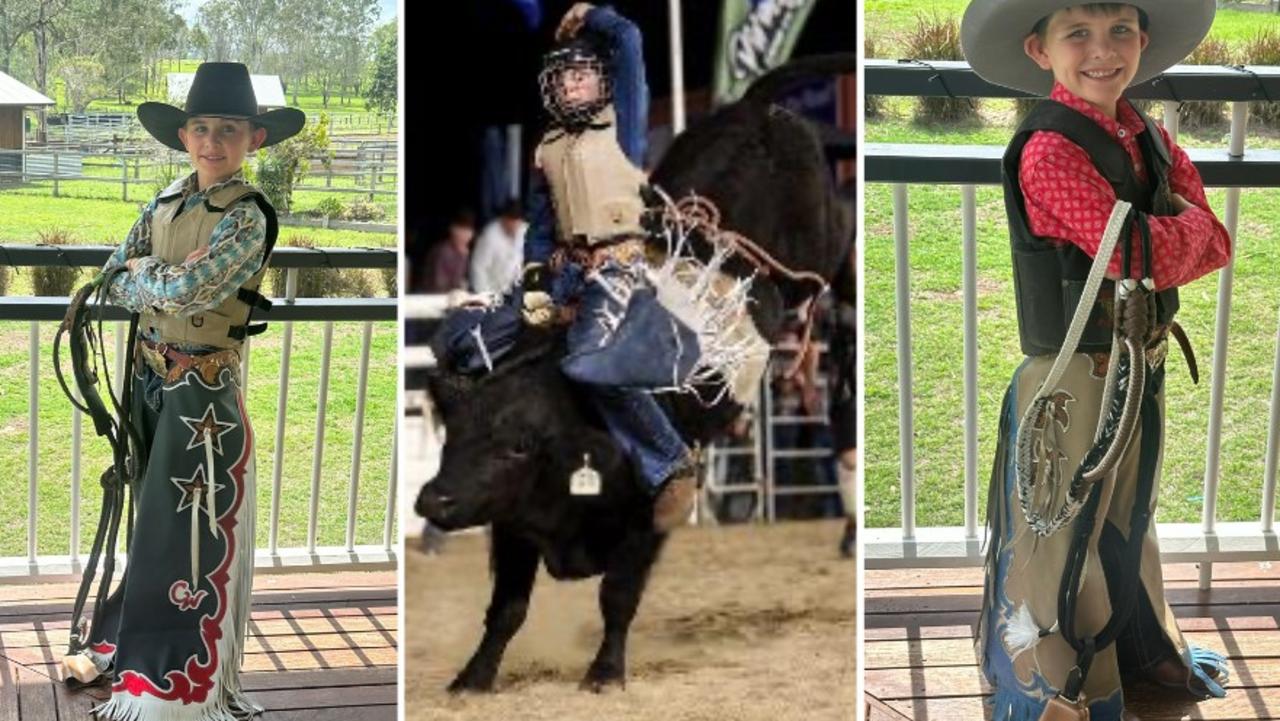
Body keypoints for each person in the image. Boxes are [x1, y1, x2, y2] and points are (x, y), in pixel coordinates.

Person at [961, 2, 1231, 719]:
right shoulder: (1049, 150)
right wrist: (1181, 231)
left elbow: (1215, 238)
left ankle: (1138, 650)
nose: (1101, 50)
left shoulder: (1147, 136)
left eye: (1118, 31)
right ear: (1039, 49)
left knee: (1127, 514)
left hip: (1136, 364)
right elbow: (1141, 251)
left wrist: (1179, 234)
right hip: (1074, 380)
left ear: (1141, 40)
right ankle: (1061, 688)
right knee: (1061, 532)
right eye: (1076, 32)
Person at [60, 61, 304, 721]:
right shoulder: (168, 198)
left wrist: (151, 272)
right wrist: (149, 271)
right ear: (185, 135)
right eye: (200, 127)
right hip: (149, 382)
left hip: (204, 393)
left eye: (227, 129)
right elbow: (116, 270)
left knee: (189, 525)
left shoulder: (249, 216)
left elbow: (187, 290)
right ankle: (129, 637)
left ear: (254, 138)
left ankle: (176, 676)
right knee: (151, 519)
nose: (211, 141)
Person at [519, 3, 700, 531]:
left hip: (618, 268)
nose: (574, 86)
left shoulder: (624, 121)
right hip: (567, 270)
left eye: (583, 75)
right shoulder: (545, 150)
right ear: (553, 86)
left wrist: (590, 14)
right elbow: (538, 227)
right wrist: (534, 287)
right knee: (492, 350)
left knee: (587, 364)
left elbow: (630, 37)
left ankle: (670, 463)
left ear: (600, 82)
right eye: (566, 77)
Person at [469, 198, 527, 294]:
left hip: (517, 292)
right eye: (511, 220)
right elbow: (478, 268)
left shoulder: (525, 230)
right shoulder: (489, 235)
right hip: (493, 291)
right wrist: (484, 295)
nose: (514, 225)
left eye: (517, 221)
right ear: (503, 219)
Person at [423, 209, 476, 293]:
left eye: (468, 230)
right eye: (461, 229)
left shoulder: (466, 252)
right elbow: (439, 284)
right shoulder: (443, 251)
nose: (465, 235)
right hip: (434, 297)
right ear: (452, 229)